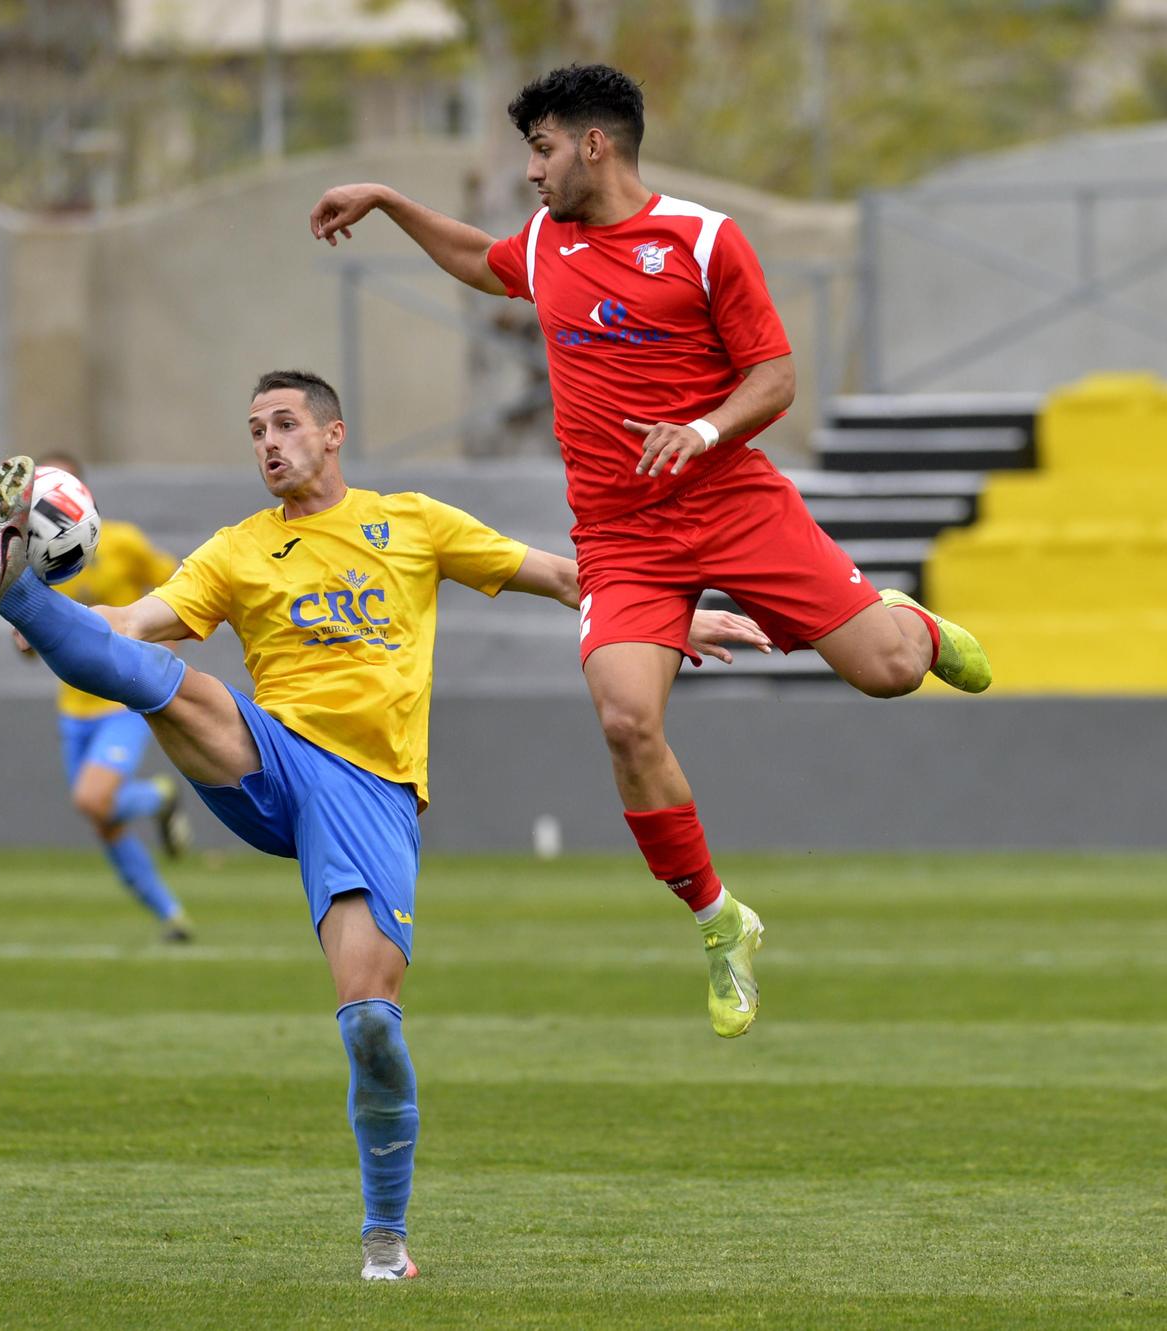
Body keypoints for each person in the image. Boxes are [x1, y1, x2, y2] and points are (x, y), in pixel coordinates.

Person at [0, 369, 764, 1280]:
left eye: (287, 422)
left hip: (370, 795)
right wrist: (51, 621)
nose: (268, 440)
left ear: (334, 434)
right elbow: (135, 622)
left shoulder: (410, 521)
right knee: (163, 686)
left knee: (372, 1027)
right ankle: (15, 590)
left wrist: (677, 612)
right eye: (255, 426)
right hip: (270, 752)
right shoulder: (237, 549)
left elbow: (565, 573)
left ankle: (386, 1241)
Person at [307, 63, 992, 1039]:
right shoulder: (545, 242)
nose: (531, 173)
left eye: (540, 149)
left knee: (885, 671)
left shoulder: (703, 240)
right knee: (626, 723)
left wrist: (703, 431)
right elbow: (477, 258)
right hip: (623, 541)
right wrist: (383, 202)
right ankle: (720, 920)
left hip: (733, 504)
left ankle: (907, 623)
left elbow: (775, 375)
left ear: (593, 143)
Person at [18, 452, 196, 942]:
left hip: (119, 701)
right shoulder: (30, 566)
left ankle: (161, 796)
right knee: (101, 818)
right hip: (72, 710)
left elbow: (178, 579)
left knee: (93, 798)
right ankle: (171, 915)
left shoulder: (120, 542)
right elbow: (32, 649)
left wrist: (168, 633)